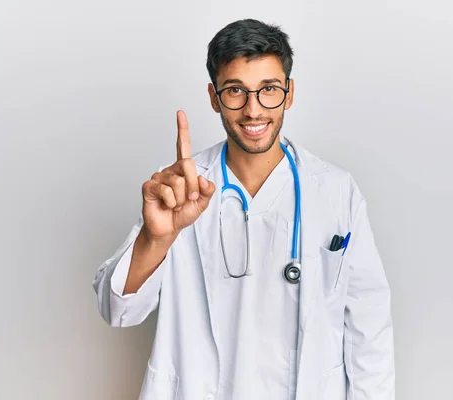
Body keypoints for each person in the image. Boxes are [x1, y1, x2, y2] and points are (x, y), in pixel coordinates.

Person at [93, 18, 395, 400]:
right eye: (235, 90)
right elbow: (116, 310)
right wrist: (156, 239)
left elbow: (370, 332)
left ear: (289, 93)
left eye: (268, 89)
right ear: (214, 96)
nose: (253, 110)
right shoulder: (180, 189)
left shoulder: (335, 190)